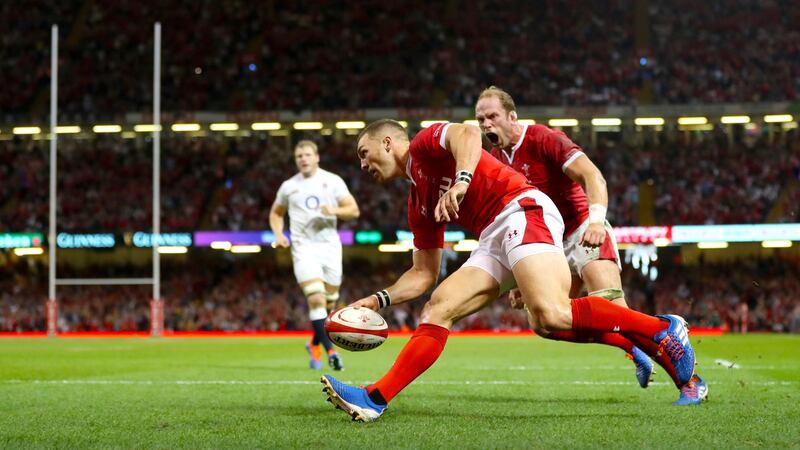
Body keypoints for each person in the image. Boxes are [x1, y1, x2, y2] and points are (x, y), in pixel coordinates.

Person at [320, 120, 707, 423]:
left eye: (364, 152)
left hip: (521, 208)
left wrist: (462, 181)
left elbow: (468, 134)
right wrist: (377, 299)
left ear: (387, 142)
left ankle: (662, 329)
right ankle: (375, 399)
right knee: (440, 307)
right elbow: (422, 274)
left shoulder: (423, 144)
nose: (362, 163)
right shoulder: (418, 199)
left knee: (552, 311)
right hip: (493, 234)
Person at [475, 86, 653, 387]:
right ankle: (632, 348)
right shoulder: (496, 157)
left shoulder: (545, 138)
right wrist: (520, 279)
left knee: (614, 310)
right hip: (549, 243)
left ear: (512, 116)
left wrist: (596, 222)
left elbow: (592, 176)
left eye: (492, 116)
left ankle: (684, 370)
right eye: (480, 120)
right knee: (543, 323)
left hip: (582, 229)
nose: (486, 125)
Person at [269, 140, 360, 371]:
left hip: (330, 248)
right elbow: (276, 213)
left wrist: (335, 211)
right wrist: (279, 234)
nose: (303, 159)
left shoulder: (332, 181)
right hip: (303, 248)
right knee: (316, 299)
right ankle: (331, 352)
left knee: (328, 307)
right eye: (299, 156)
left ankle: (313, 343)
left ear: (316, 157)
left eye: (307, 154)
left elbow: (353, 210)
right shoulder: (289, 186)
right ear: (296, 159)